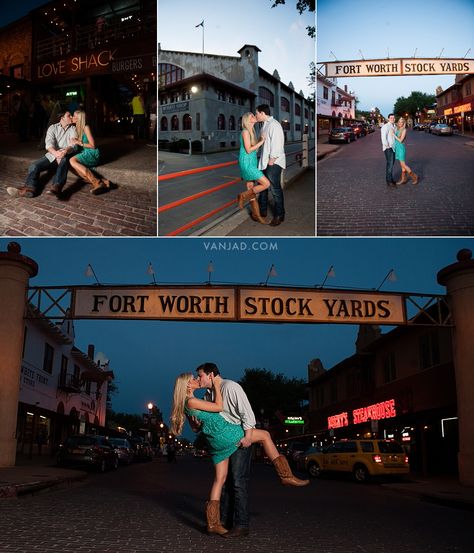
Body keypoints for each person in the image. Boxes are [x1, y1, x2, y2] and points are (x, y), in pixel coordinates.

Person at [170, 368, 308, 538]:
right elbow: (219, 406)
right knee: (265, 435)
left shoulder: (188, 403)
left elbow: (195, 427)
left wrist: (202, 421)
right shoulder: (192, 401)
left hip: (215, 443)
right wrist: (218, 385)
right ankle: (285, 475)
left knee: (219, 480)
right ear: (187, 386)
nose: (196, 380)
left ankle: (214, 523)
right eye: (193, 379)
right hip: (226, 433)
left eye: (197, 377)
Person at [7, 111, 77, 198]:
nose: (71, 117)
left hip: (65, 154)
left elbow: (73, 145)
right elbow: (49, 144)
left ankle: (56, 187)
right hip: (53, 154)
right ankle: (30, 189)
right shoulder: (52, 128)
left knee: (64, 160)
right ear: (62, 118)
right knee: (34, 165)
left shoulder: (73, 129)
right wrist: (56, 154)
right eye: (69, 115)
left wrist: (64, 152)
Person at [236, 112, 271, 224]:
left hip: (252, 162)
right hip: (246, 163)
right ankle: (242, 195)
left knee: (251, 191)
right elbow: (248, 150)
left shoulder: (252, 131)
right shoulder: (245, 132)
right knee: (266, 184)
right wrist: (261, 141)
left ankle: (257, 215)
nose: (254, 116)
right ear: (247, 120)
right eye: (252, 116)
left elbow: (254, 150)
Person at [255, 104, 286, 226]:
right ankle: (262, 212)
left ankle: (279, 215)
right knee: (263, 187)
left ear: (262, 113)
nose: (256, 115)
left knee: (275, 190)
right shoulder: (264, 125)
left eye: (257, 113)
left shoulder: (274, 125)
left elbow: (278, 144)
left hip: (273, 163)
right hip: (264, 163)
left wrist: (271, 161)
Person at [68, 110, 111, 194]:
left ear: (79, 118)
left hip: (92, 153)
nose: (72, 117)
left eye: (74, 116)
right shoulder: (76, 128)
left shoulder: (86, 127)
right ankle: (103, 181)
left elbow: (93, 145)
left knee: (72, 160)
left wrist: (79, 142)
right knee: (68, 165)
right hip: (84, 152)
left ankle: (97, 183)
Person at [392, 117, 418, 185]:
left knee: (403, 165)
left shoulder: (404, 130)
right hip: (397, 148)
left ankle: (414, 176)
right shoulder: (398, 129)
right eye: (399, 122)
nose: (400, 123)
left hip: (401, 148)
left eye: (402, 122)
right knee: (402, 166)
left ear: (404, 123)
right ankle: (404, 179)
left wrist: (394, 135)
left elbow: (400, 140)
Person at [381, 113, 396, 186]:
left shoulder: (394, 126)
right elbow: (384, 138)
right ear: (388, 119)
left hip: (393, 148)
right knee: (390, 164)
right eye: (391, 118)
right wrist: (387, 146)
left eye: (393, 118)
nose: (392, 119)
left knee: (391, 164)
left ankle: (390, 178)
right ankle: (389, 181)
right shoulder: (385, 126)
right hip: (388, 148)